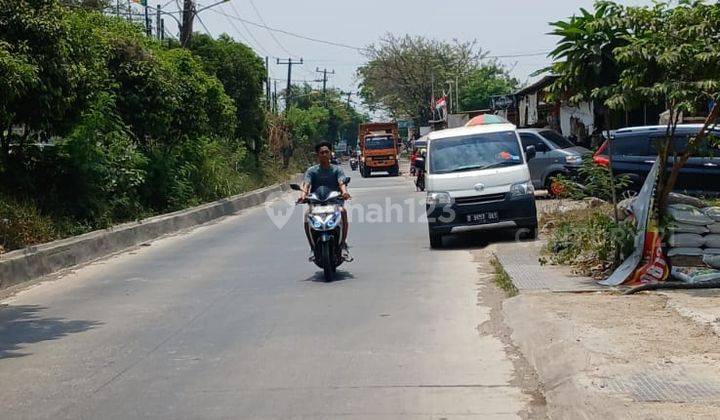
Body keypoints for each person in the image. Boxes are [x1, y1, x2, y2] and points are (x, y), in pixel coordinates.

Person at [297, 141, 352, 256]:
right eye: (322, 152)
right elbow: (306, 184)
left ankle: (343, 244)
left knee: (343, 212)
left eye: (327, 152)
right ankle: (312, 247)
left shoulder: (337, 170)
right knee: (307, 215)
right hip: (316, 203)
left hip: (334, 201)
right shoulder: (312, 171)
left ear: (330, 153)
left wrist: (345, 193)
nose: (324, 154)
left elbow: (342, 182)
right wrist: (303, 196)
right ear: (317, 155)